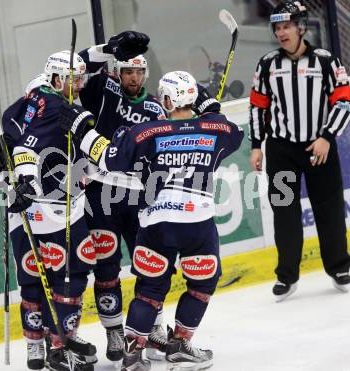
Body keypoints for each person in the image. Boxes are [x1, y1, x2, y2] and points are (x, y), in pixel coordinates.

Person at [56, 70, 244, 371]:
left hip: (157, 222)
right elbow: (234, 132)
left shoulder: (147, 132)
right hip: (198, 223)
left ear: (167, 99)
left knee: (150, 289)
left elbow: (110, 159)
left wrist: (83, 129)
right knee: (203, 282)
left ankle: (132, 354)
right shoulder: (215, 129)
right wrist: (208, 107)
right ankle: (180, 344)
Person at [0, 50, 98, 371]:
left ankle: (61, 337)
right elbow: (19, 155)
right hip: (35, 213)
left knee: (74, 273)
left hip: (69, 207)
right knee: (36, 279)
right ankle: (39, 343)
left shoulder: (62, 109)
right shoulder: (41, 111)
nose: (33, 104)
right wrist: (15, 187)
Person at [248, 0, 350, 301]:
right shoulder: (267, 64)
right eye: (277, 27)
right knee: (284, 211)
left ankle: (340, 266)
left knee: (329, 209)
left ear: (301, 27)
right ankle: (287, 275)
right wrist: (257, 145)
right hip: (281, 152)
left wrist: (327, 137)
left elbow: (343, 101)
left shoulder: (326, 61)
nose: (281, 33)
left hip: (319, 147)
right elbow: (258, 107)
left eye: (287, 26)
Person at [78, 33, 170, 362]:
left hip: (137, 198)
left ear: (145, 74)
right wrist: (107, 49)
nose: (133, 77)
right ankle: (114, 330)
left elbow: (163, 153)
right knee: (106, 267)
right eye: (127, 71)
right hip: (100, 193)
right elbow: (76, 67)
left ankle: (153, 327)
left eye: (138, 72)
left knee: (150, 264)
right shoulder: (103, 90)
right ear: (118, 72)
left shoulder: (155, 109)